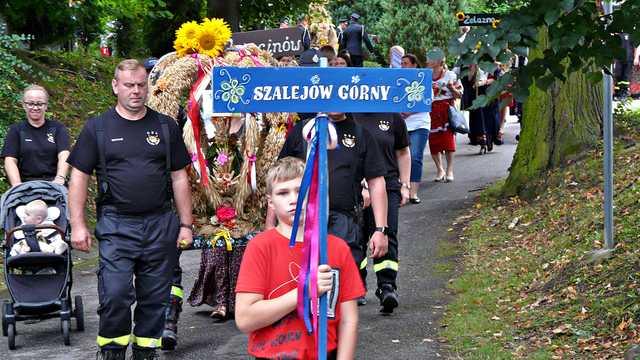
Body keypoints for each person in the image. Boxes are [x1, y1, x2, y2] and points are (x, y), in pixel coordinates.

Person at [67, 59, 193, 360]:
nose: (136, 91)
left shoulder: (165, 127)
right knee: (115, 294)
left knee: (155, 297)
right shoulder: (97, 128)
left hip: (160, 223)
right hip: (116, 224)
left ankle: (145, 352)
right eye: (128, 85)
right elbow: (79, 177)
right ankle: (112, 352)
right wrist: (78, 224)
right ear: (115, 86)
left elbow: (179, 177)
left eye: (141, 85)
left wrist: (186, 224)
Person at [235, 157, 364, 359]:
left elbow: (349, 319)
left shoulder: (337, 248)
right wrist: (304, 292)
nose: (294, 199)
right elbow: (245, 319)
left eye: (301, 190)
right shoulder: (260, 247)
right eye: (283, 193)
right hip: (272, 355)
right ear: (270, 201)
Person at [275, 112, 389, 302]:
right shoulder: (302, 132)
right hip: (302, 222)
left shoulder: (361, 135)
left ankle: (335, 330)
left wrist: (380, 229)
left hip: (344, 224)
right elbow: (279, 178)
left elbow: (377, 182)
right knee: (301, 288)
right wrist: (271, 224)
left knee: (339, 296)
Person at [143, 57, 186, 351]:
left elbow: (182, 169)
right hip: (126, 216)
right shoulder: (120, 120)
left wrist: (185, 221)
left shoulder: (172, 120)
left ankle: (169, 323)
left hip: (164, 211)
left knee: (171, 271)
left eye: (155, 77)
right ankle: (147, 326)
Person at [352, 112, 410, 313]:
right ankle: (356, 286)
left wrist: (405, 185)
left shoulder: (392, 116)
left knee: (387, 232)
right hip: (358, 187)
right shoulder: (350, 116)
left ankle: (387, 286)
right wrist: (362, 186)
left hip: (389, 185)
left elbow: (403, 152)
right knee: (357, 236)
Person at [1, 84, 71, 187]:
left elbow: (64, 154)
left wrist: (60, 178)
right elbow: (10, 159)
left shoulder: (58, 128)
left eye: (39, 104)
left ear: (46, 105)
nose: (35, 107)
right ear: (24, 105)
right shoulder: (16, 130)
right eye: (30, 103)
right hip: (25, 185)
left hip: (54, 185)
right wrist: (17, 185)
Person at [425, 49, 462, 182]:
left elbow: (459, 95)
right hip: (431, 111)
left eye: (430, 58)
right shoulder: (424, 75)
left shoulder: (450, 75)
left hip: (446, 111)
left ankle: (449, 169)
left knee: (448, 141)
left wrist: (451, 87)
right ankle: (439, 169)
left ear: (438, 61)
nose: (427, 61)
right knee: (433, 142)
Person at [399, 54, 430, 203]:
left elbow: (427, 100)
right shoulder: (397, 81)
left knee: (416, 156)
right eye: (401, 63)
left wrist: (409, 112)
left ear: (414, 65)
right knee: (402, 156)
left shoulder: (423, 79)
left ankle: (414, 192)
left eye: (405, 63)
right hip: (402, 124)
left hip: (419, 124)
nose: (402, 66)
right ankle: (403, 188)